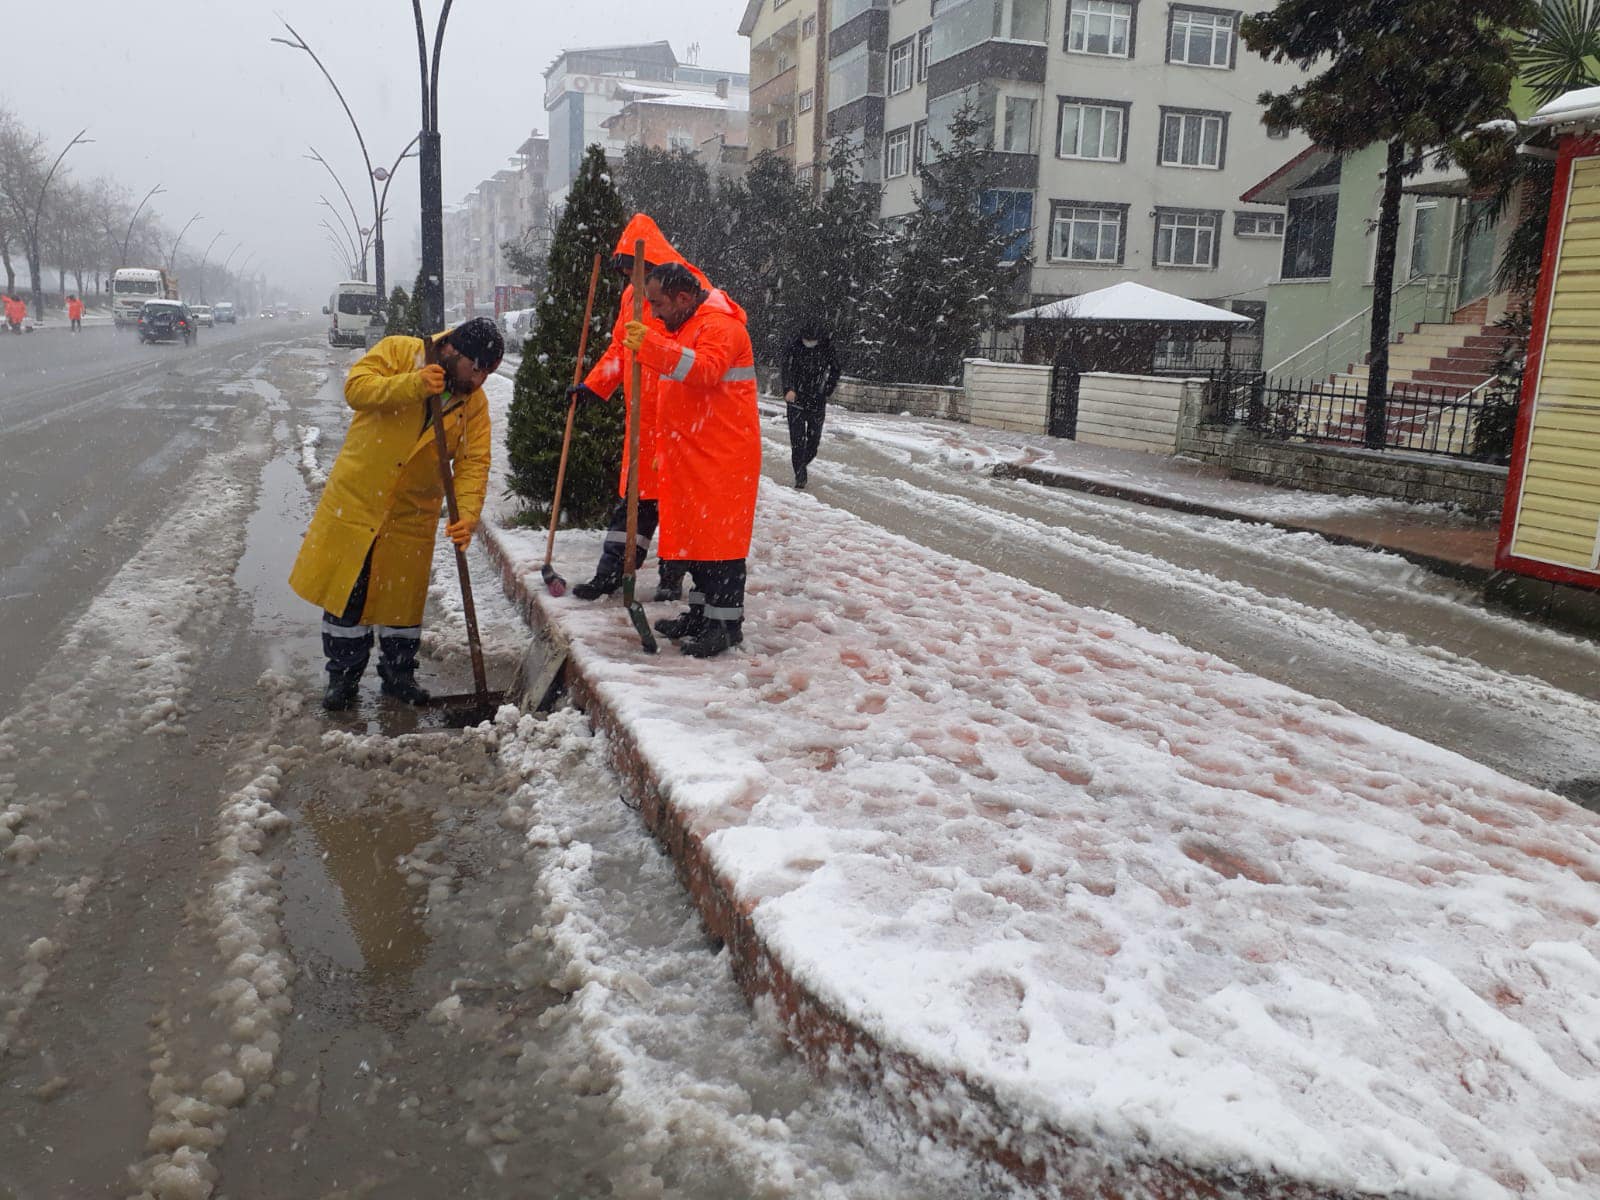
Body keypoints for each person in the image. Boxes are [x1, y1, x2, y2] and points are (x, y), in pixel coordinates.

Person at [289, 316, 502, 711]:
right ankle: (343, 678)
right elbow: (357, 388)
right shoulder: (400, 353)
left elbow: (475, 462)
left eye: (488, 374)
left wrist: (467, 515)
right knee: (348, 595)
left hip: (411, 513)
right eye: (477, 370)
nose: (480, 382)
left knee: (402, 601)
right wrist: (413, 384)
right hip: (358, 500)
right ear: (452, 351)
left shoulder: (473, 404)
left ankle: (399, 676)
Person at [623, 263, 761, 659]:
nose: (655, 312)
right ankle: (701, 615)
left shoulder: (721, 327)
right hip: (695, 454)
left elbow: (704, 371)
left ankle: (725, 625)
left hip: (721, 456)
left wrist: (650, 346)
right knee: (699, 543)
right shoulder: (686, 327)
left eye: (659, 304)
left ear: (684, 298)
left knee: (722, 547)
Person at [565, 213, 701, 603]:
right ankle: (611, 572)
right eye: (625, 274)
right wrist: (595, 385)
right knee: (635, 501)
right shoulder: (630, 298)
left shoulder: (686, 288)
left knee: (675, 506)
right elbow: (620, 348)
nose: (629, 281)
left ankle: (671, 579)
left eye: (632, 272)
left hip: (679, 417)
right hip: (642, 420)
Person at [780, 321, 841, 489]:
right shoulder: (794, 346)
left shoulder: (826, 347)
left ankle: (803, 463)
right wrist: (788, 389)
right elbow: (786, 367)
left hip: (817, 399)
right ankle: (800, 474)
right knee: (797, 440)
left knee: (813, 443)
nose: (809, 343)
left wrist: (827, 390)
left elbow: (836, 369)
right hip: (796, 399)